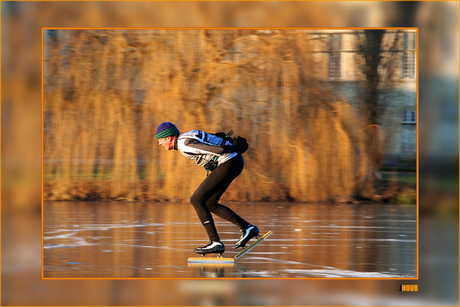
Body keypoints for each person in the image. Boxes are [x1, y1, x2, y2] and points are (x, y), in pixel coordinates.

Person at [155, 122, 259, 255]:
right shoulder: (186, 135)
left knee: (196, 199)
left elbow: (215, 150)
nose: (159, 143)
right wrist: (231, 146)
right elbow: (214, 138)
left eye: (160, 140)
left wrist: (234, 148)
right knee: (210, 203)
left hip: (229, 162)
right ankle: (247, 228)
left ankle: (215, 242)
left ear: (168, 138)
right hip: (234, 162)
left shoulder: (183, 144)